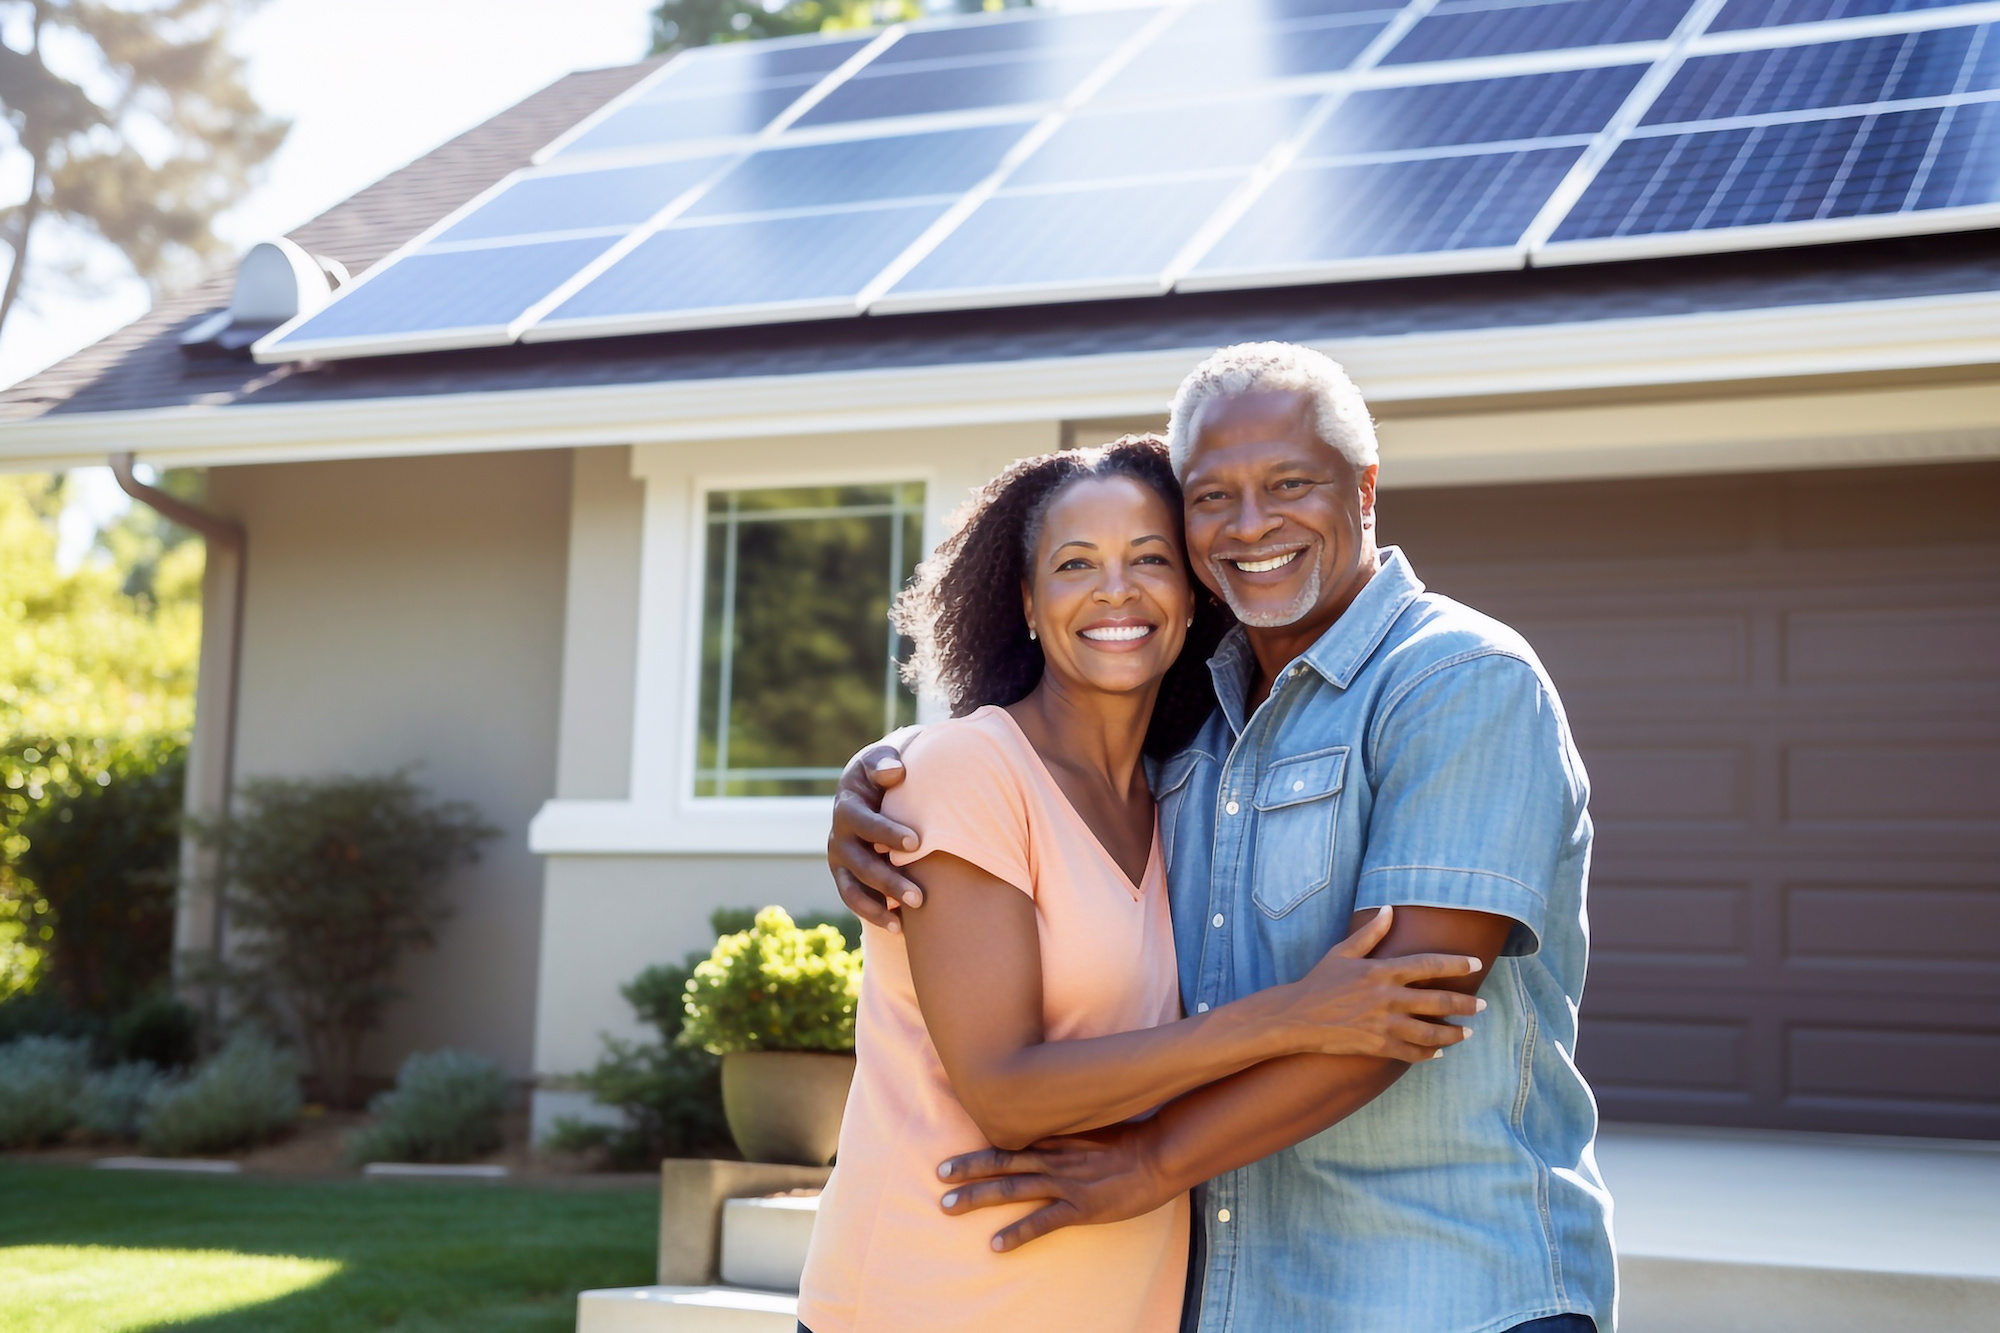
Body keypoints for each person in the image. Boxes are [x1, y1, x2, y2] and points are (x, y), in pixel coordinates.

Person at [828, 344, 1615, 1333]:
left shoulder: (1457, 681)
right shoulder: (1192, 731)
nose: (1251, 526)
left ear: (1364, 489)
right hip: (1236, 1298)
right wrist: (891, 766)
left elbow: (1396, 1011)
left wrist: (1152, 1163)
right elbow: (1033, 775)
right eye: (1210, 498)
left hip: (1444, 1289)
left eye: (1289, 484)